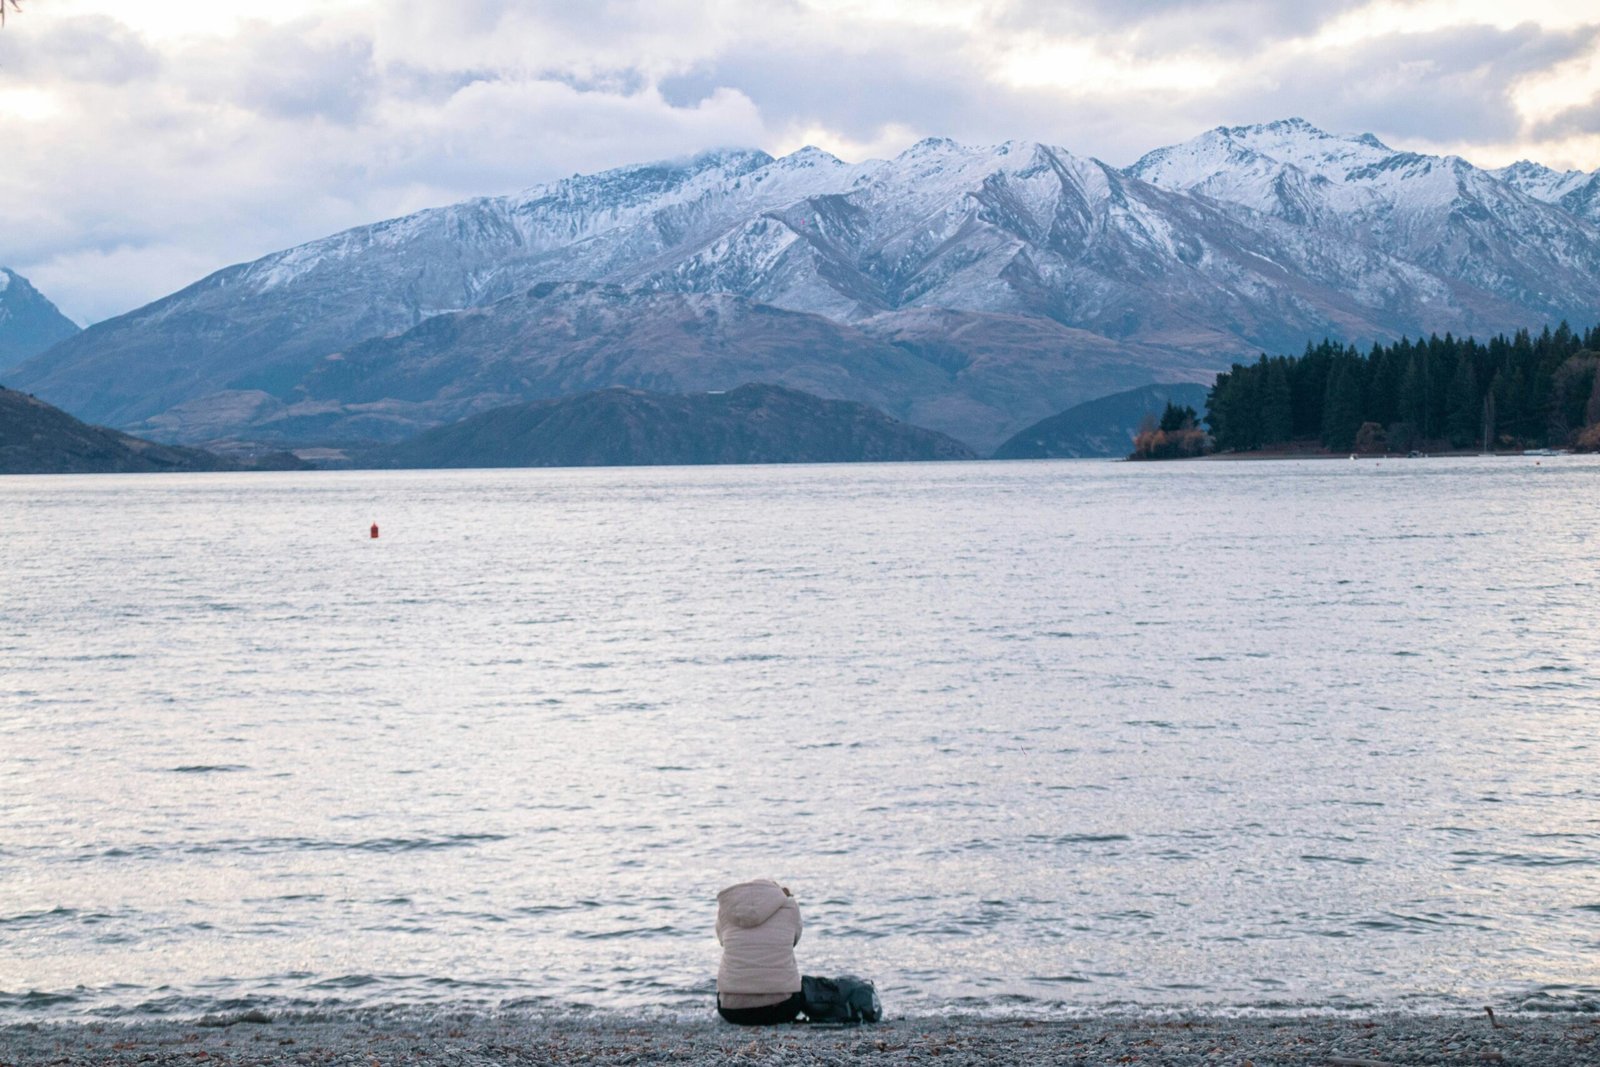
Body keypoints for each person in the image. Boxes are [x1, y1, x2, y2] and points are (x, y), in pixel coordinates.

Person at [715, 879, 804, 1025]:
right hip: (782, 1008)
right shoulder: (790, 907)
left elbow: (722, 942)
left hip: (731, 1011)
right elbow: (793, 940)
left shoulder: (726, 909)